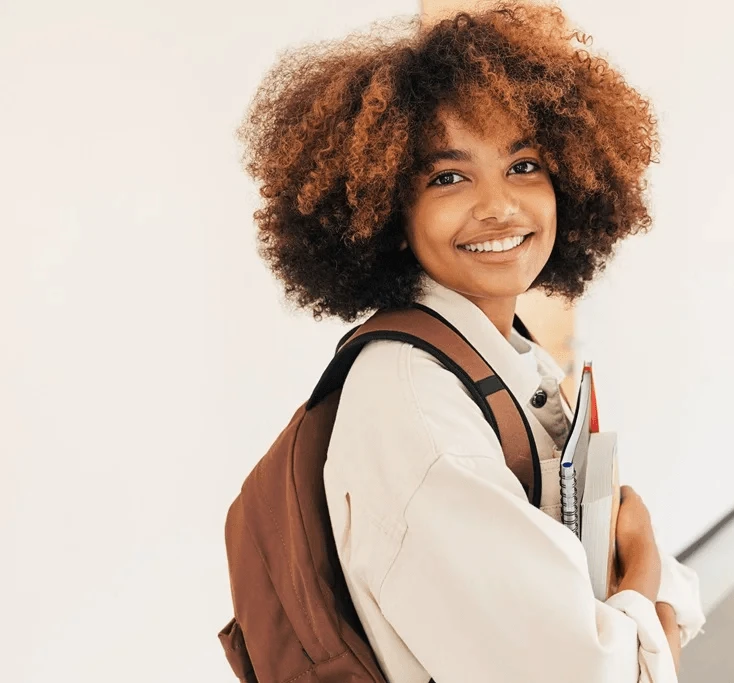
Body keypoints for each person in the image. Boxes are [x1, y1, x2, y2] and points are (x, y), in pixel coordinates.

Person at [238, 3, 705, 681]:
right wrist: (647, 577)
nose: (499, 206)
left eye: (523, 165)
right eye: (448, 177)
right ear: (389, 212)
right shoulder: (419, 412)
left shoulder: (494, 348)